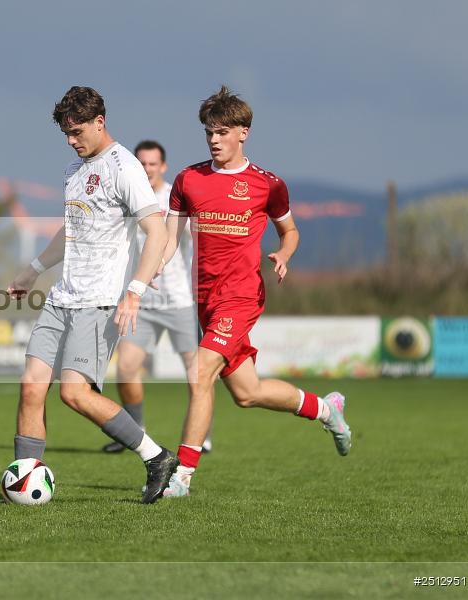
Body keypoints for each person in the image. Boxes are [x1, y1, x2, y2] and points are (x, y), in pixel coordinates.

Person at [160, 86, 351, 498]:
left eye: (222, 131)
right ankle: (326, 409)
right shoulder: (188, 179)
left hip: (242, 296)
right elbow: (170, 235)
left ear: (243, 132)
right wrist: (154, 266)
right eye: (209, 131)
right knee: (248, 393)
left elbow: (290, 230)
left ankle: (181, 477)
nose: (214, 139)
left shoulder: (267, 184)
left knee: (200, 376)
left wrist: (283, 253)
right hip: (205, 301)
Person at [8, 86, 178, 504]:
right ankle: (26, 481)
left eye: (78, 131)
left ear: (99, 122)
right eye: (66, 133)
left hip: (100, 300)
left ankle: (156, 457)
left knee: (74, 394)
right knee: (31, 387)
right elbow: (71, 232)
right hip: (61, 296)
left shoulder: (125, 167)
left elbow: (155, 229)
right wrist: (32, 271)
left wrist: (134, 291)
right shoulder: (73, 170)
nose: (72, 140)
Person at [101, 140, 211, 455]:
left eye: (153, 164)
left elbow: (195, 239)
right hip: (142, 304)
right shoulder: (128, 196)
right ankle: (135, 432)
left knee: (197, 373)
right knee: (126, 369)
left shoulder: (174, 198)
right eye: (143, 163)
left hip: (180, 301)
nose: (148, 169)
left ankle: (200, 436)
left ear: (163, 166)